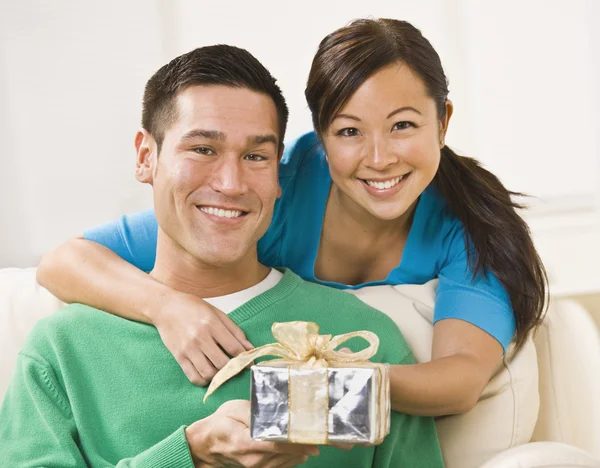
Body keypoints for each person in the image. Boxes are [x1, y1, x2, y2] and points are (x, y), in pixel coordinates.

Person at [37, 18, 547, 417]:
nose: (379, 156)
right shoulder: (269, 194)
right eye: (349, 131)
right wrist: (169, 307)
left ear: (443, 122)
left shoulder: (476, 224)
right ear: (320, 138)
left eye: (403, 126)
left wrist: (310, 390)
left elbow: (457, 383)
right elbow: (62, 264)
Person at [1, 44, 443, 468]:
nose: (231, 183)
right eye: (203, 149)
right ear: (145, 157)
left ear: (278, 176)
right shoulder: (62, 350)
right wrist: (190, 455)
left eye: (255, 156)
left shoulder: (362, 341)